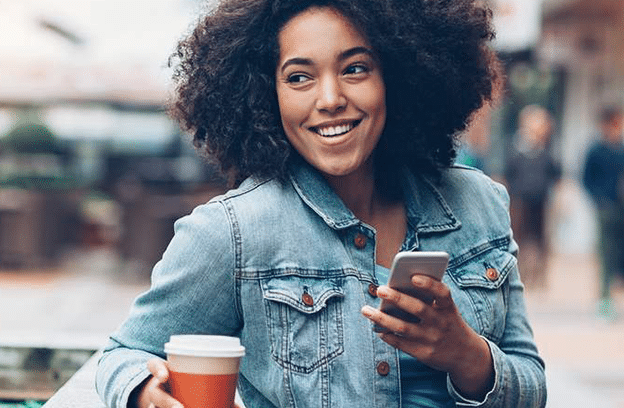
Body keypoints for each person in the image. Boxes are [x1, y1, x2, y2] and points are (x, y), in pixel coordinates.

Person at [95, 0, 546, 407]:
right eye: (298, 77)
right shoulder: (234, 231)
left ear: (398, 77)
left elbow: (532, 386)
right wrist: (144, 395)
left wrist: (467, 355)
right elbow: (125, 355)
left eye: (355, 69)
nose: (330, 99)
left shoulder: (478, 203)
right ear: (265, 96)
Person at [504, 105, 561, 289]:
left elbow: (556, 175)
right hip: (520, 201)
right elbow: (508, 174)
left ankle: (539, 278)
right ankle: (519, 275)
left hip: (541, 201)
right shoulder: (516, 149)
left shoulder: (546, 152)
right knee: (518, 238)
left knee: (540, 241)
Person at [582, 106, 624, 322]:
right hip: (606, 209)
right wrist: (599, 200)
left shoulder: (621, 148)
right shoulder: (596, 149)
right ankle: (605, 299)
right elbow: (586, 179)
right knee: (606, 254)